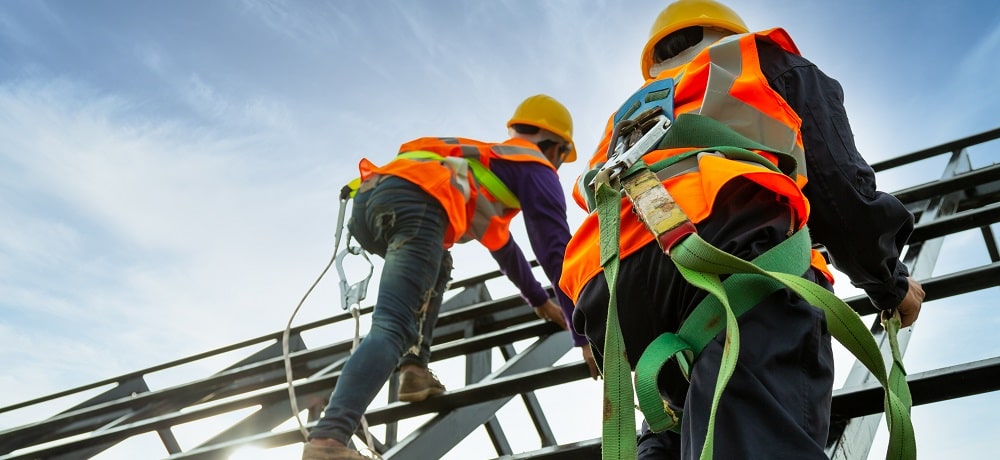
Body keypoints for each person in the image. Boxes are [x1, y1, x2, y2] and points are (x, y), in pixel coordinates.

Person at [559, 0, 925, 458]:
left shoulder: (625, 122)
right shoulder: (757, 58)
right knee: (750, 429)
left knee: (677, 424)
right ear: (726, 31)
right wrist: (890, 284)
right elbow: (838, 186)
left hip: (610, 290)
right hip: (733, 246)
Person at [302, 94, 597, 460]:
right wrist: (583, 333)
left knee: (437, 263)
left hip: (370, 202)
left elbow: (507, 252)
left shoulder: (482, 165)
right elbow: (556, 253)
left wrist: (540, 302)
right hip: (419, 204)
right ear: (555, 146)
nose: (557, 166)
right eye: (560, 158)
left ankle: (414, 370)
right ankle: (329, 440)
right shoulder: (535, 166)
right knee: (392, 326)